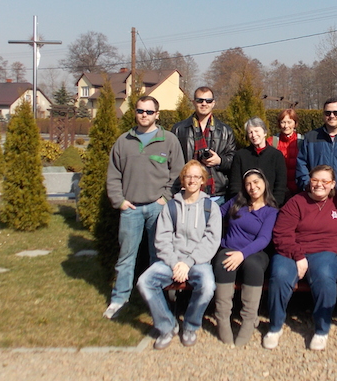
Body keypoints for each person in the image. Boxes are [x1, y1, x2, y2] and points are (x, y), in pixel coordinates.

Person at [103, 96, 185, 320]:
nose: (145, 115)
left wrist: (164, 198)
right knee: (126, 257)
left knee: (158, 256)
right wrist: (119, 201)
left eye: (149, 112)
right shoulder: (123, 141)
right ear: (135, 113)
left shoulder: (168, 140)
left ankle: (155, 299)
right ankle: (119, 299)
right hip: (131, 209)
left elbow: (178, 174)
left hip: (158, 209)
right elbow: (113, 175)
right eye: (141, 111)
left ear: (157, 114)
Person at [137, 161, 221, 349]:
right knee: (145, 282)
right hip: (171, 261)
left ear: (202, 181)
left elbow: (211, 241)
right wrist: (176, 263)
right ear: (183, 180)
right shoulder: (171, 207)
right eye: (188, 176)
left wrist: (188, 263)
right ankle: (167, 326)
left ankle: (190, 326)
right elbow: (162, 239)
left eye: (196, 177)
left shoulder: (210, 208)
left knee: (208, 286)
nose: (192, 180)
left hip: (198, 262)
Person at [264, 164, 337, 351]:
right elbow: (281, 233)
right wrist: (298, 256)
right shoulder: (296, 202)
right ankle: (275, 326)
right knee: (280, 276)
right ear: (309, 181)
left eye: (325, 181)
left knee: (325, 278)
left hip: (325, 251)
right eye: (315, 180)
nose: (319, 185)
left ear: (332, 184)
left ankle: (322, 330)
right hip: (292, 250)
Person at [213, 169, 279, 347]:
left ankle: (249, 319)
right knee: (223, 264)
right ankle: (222, 318)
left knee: (253, 266)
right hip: (229, 248)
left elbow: (264, 239)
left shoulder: (270, 211)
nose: (253, 187)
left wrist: (242, 254)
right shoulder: (237, 202)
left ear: (264, 183)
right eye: (248, 183)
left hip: (255, 252)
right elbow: (216, 214)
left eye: (256, 182)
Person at [171, 86, 237, 204]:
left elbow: (234, 161)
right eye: (200, 100)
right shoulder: (178, 129)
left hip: (216, 194)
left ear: (213, 103)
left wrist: (220, 161)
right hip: (187, 192)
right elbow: (172, 162)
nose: (204, 104)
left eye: (208, 101)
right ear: (193, 102)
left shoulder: (226, 131)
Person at [228, 117, 288, 206]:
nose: (253, 135)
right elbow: (235, 184)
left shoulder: (276, 155)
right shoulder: (240, 155)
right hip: (246, 206)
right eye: (250, 132)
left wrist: (273, 205)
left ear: (264, 132)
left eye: (256, 131)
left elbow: (280, 185)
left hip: (270, 206)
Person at [272, 108, 303, 197]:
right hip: (278, 191)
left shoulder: (302, 142)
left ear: (295, 123)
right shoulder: (272, 142)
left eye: (289, 122)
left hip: (298, 190)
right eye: (283, 122)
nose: (286, 126)